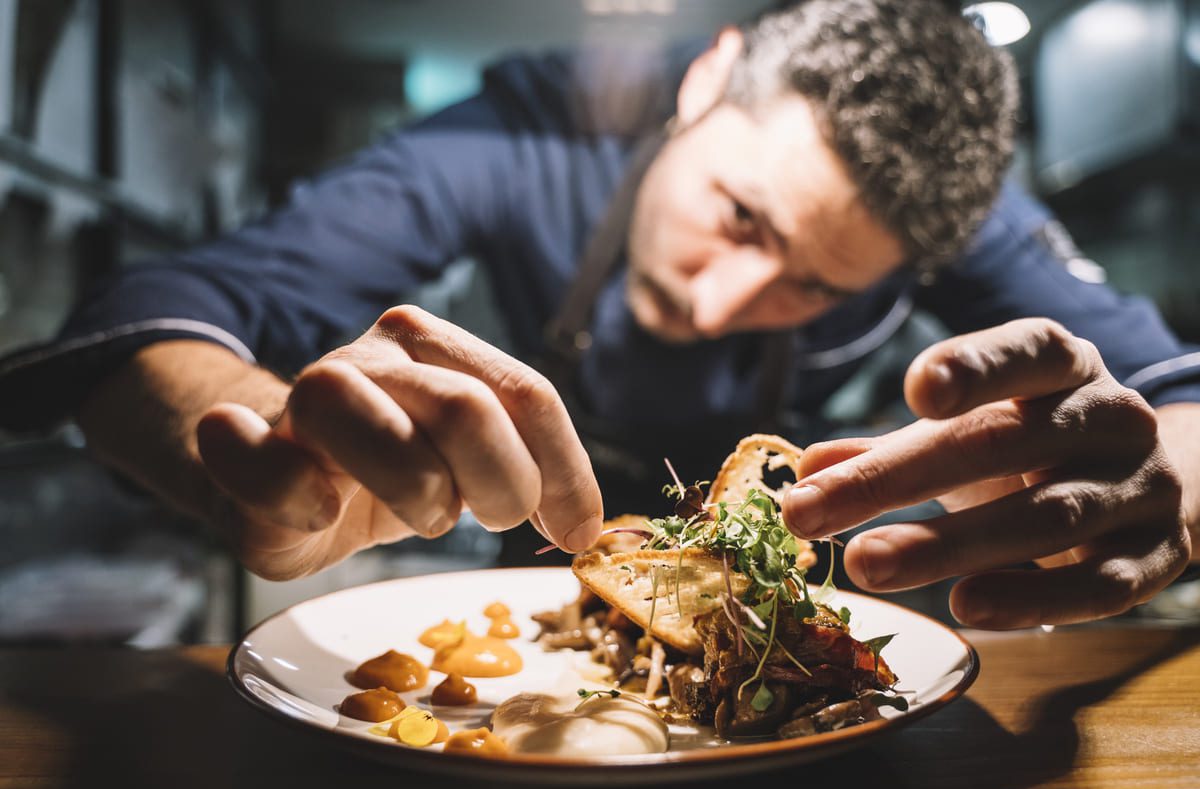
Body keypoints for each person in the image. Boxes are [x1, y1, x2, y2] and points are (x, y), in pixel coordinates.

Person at [0, 0, 1194, 631]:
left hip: (759, 598)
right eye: (741, 217)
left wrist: (1161, 490)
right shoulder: (520, 134)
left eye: (814, 288)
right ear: (703, 81)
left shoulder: (944, 210)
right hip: (528, 563)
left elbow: (1176, 400)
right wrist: (262, 451)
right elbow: (149, 312)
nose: (723, 302)